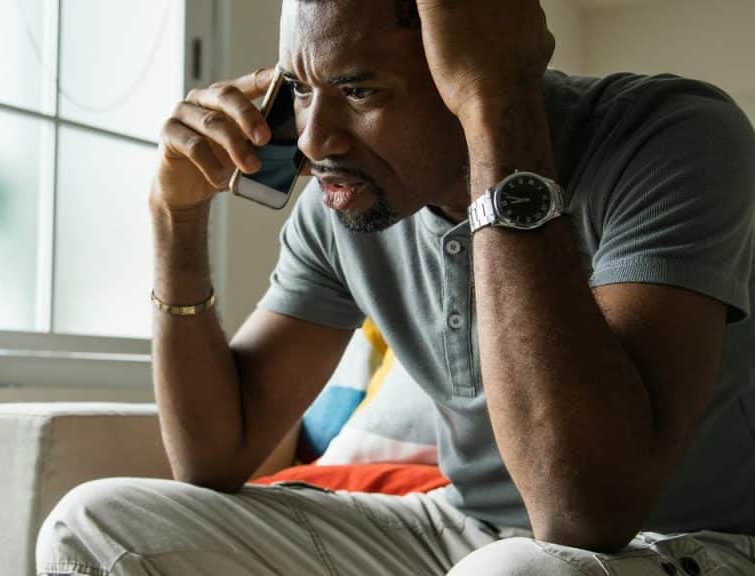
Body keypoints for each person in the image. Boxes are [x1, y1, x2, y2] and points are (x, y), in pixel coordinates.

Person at [37, 0, 755, 574]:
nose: (316, 141)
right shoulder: (341, 207)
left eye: (358, 90)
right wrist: (176, 217)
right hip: (463, 530)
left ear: (476, 63)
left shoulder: (671, 136)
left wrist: (498, 109)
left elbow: (585, 513)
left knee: (524, 573)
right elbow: (214, 455)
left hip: (689, 539)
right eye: (303, 89)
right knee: (97, 523)